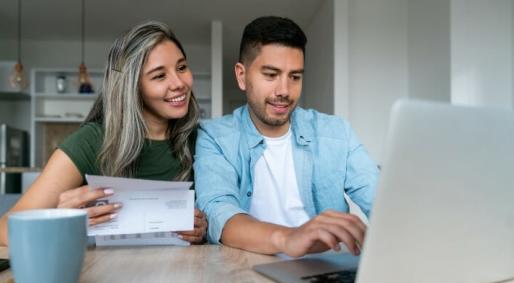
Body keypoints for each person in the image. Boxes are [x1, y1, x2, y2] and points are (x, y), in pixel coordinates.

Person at [0, 21, 207, 245]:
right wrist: (59, 223)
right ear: (130, 87)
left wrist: (204, 230)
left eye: (181, 67)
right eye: (159, 76)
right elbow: (4, 231)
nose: (179, 83)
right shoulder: (90, 142)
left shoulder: (204, 141)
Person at [194, 16, 378, 257]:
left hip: (327, 266)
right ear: (242, 75)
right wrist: (289, 237)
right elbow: (219, 213)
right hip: (249, 268)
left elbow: (381, 201)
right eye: (271, 75)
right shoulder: (214, 136)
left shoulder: (336, 133)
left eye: (295, 77)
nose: (284, 91)